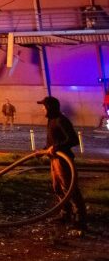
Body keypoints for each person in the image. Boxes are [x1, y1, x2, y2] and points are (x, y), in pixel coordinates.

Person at [38, 96, 87, 231]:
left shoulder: (61, 121)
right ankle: (66, 213)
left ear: (50, 108)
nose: (42, 109)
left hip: (63, 160)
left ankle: (80, 218)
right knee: (57, 187)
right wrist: (43, 150)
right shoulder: (51, 120)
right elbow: (52, 142)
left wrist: (57, 148)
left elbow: (73, 140)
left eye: (44, 106)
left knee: (69, 188)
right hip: (54, 160)